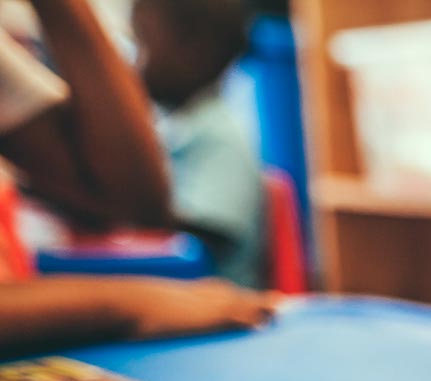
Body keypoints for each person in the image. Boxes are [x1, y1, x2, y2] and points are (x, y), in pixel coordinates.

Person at [0, 0, 271, 352]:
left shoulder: (217, 132)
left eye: (140, 43)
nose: (135, 64)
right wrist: (133, 303)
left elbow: (135, 205)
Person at [131, 0, 264, 288]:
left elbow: (200, 244)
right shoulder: (175, 127)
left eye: (143, 44)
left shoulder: (222, 137)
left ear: (192, 55)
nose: (134, 63)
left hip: (219, 309)